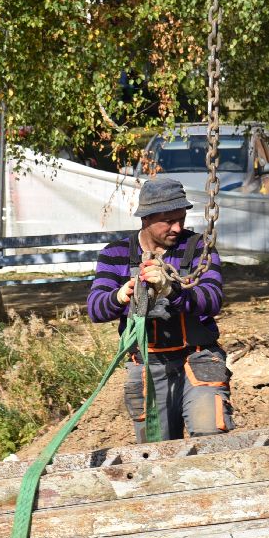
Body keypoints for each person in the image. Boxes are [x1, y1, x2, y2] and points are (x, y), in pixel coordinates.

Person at [87, 177, 232, 443]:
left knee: (210, 434)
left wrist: (172, 291)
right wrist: (120, 296)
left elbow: (213, 299)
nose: (177, 227)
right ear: (145, 219)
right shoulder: (114, 254)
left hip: (198, 360)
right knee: (155, 451)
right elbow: (95, 309)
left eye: (181, 218)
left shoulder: (199, 248)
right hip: (146, 367)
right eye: (168, 220)